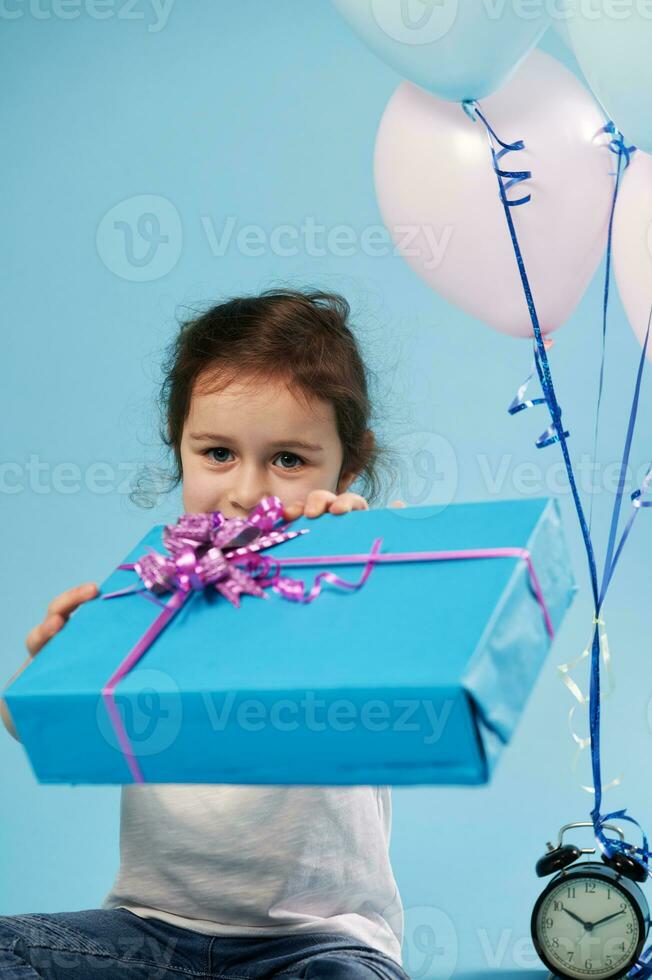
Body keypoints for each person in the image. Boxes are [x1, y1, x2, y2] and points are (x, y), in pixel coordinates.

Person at [0, 287, 411, 979]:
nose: (246, 491)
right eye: (218, 453)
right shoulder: (147, 594)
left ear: (348, 466)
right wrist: (49, 677)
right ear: (179, 452)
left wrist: (358, 557)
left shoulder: (357, 580)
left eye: (289, 460)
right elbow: (33, 725)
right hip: (148, 936)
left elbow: (405, 683)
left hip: (318, 946)